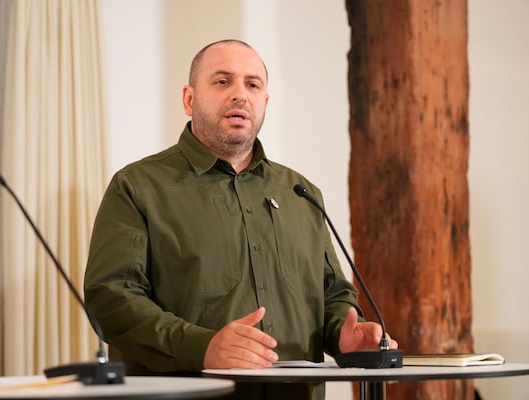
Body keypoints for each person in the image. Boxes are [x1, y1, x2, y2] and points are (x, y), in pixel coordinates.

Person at [84, 39, 397, 400]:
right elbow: (112, 298)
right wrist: (202, 347)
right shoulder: (138, 186)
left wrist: (344, 331)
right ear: (189, 99)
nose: (240, 95)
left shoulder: (300, 191)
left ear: (265, 102)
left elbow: (333, 292)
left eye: (253, 84)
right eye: (222, 82)